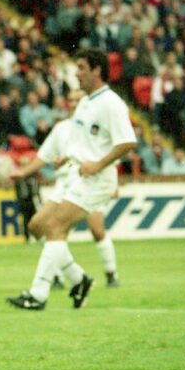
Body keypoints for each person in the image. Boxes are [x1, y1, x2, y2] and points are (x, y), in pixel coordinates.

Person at [6, 49, 136, 311]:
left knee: (55, 227)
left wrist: (98, 164)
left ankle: (38, 294)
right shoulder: (87, 102)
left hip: (96, 178)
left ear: (97, 70)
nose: (76, 73)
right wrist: (65, 157)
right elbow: (83, 141)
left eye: (81, 67)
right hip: (76, 174)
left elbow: (128, 142)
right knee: (38, 225)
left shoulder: (111, 103)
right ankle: (79, 280)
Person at [11, 90, 121, 288]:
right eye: (70, 100)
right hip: (65, 185)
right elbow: (45, 155)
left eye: (78, 100)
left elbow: (108, 156)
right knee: (37, 226)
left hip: (90, 182)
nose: (73, 103)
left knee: (96, 229)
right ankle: (72, 276)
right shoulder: (62, 128)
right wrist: (24, 172)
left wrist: (114, 183)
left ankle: (110, 273)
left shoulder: (95, 125)